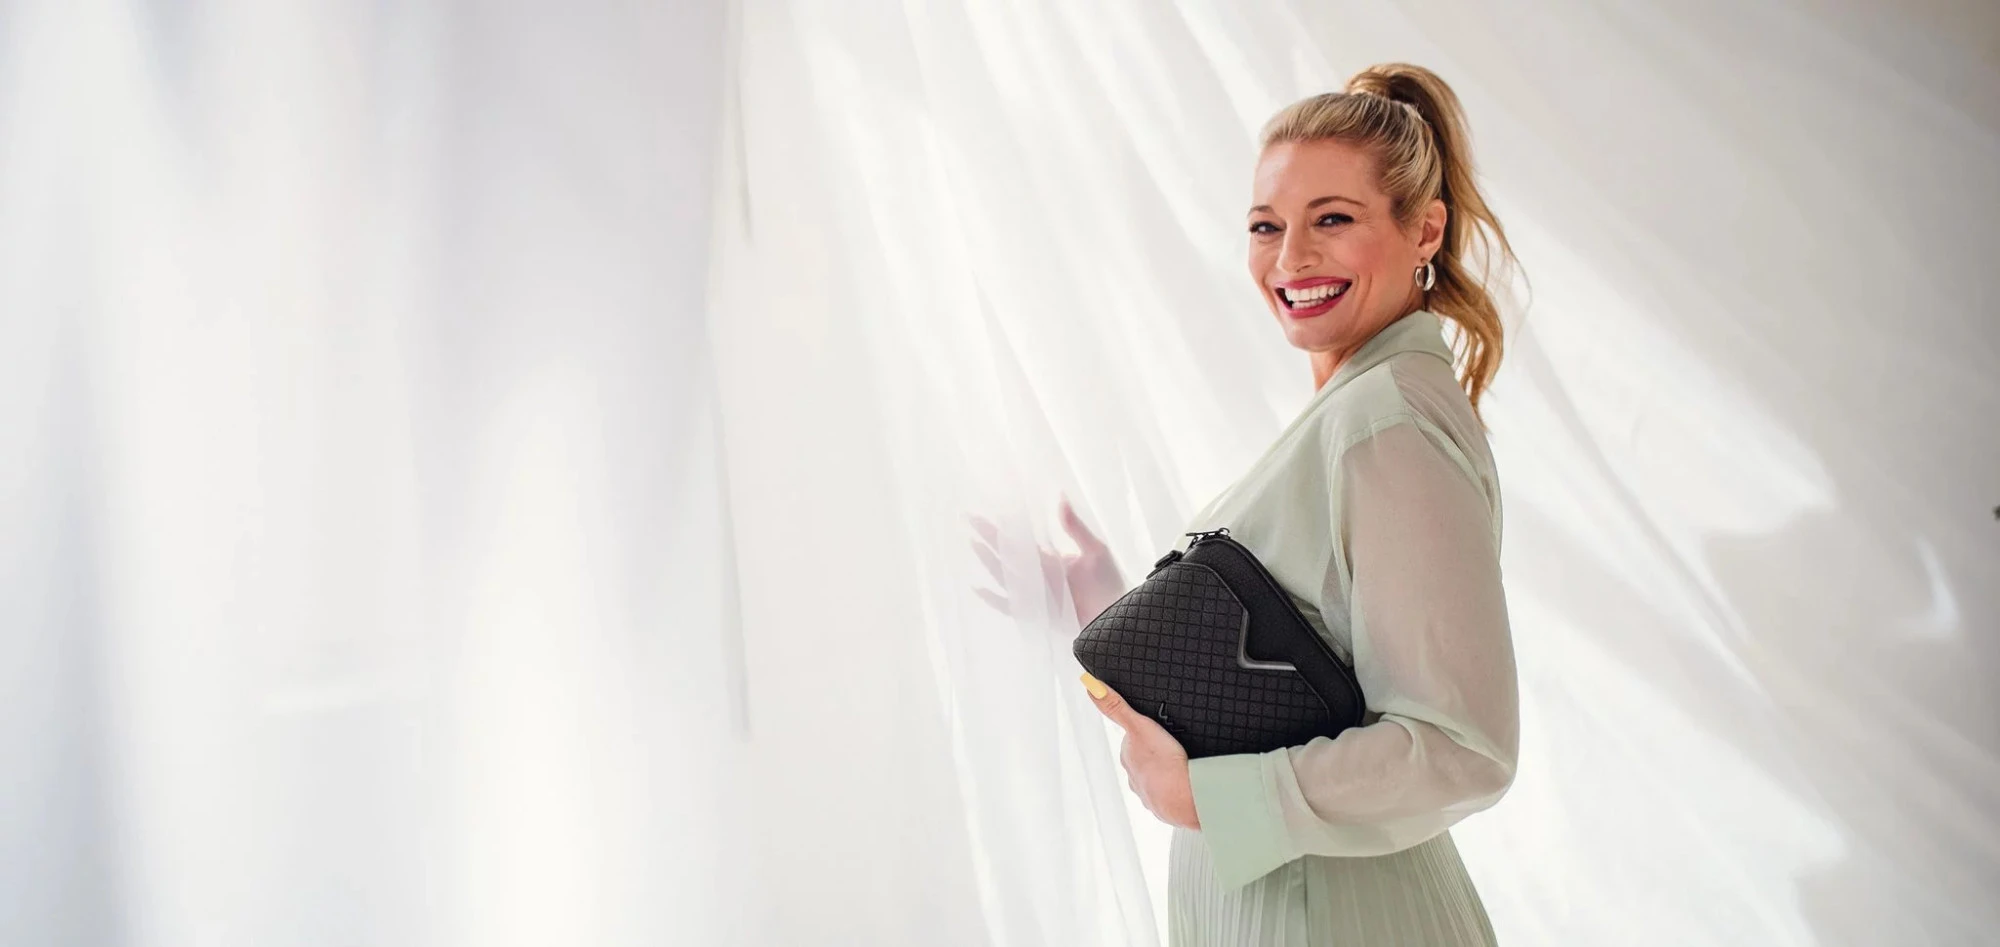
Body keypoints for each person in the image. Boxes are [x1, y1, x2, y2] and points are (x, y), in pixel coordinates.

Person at [1055, 64, 1522, 945]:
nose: (1291, 257)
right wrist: (1111, 603)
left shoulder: (1385, 421)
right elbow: (1288, 662)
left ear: (1424, 229)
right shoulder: (1353, 411)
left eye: (1332, 220)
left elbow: (1461, 747)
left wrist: (1210, 797)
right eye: (1266, 226)